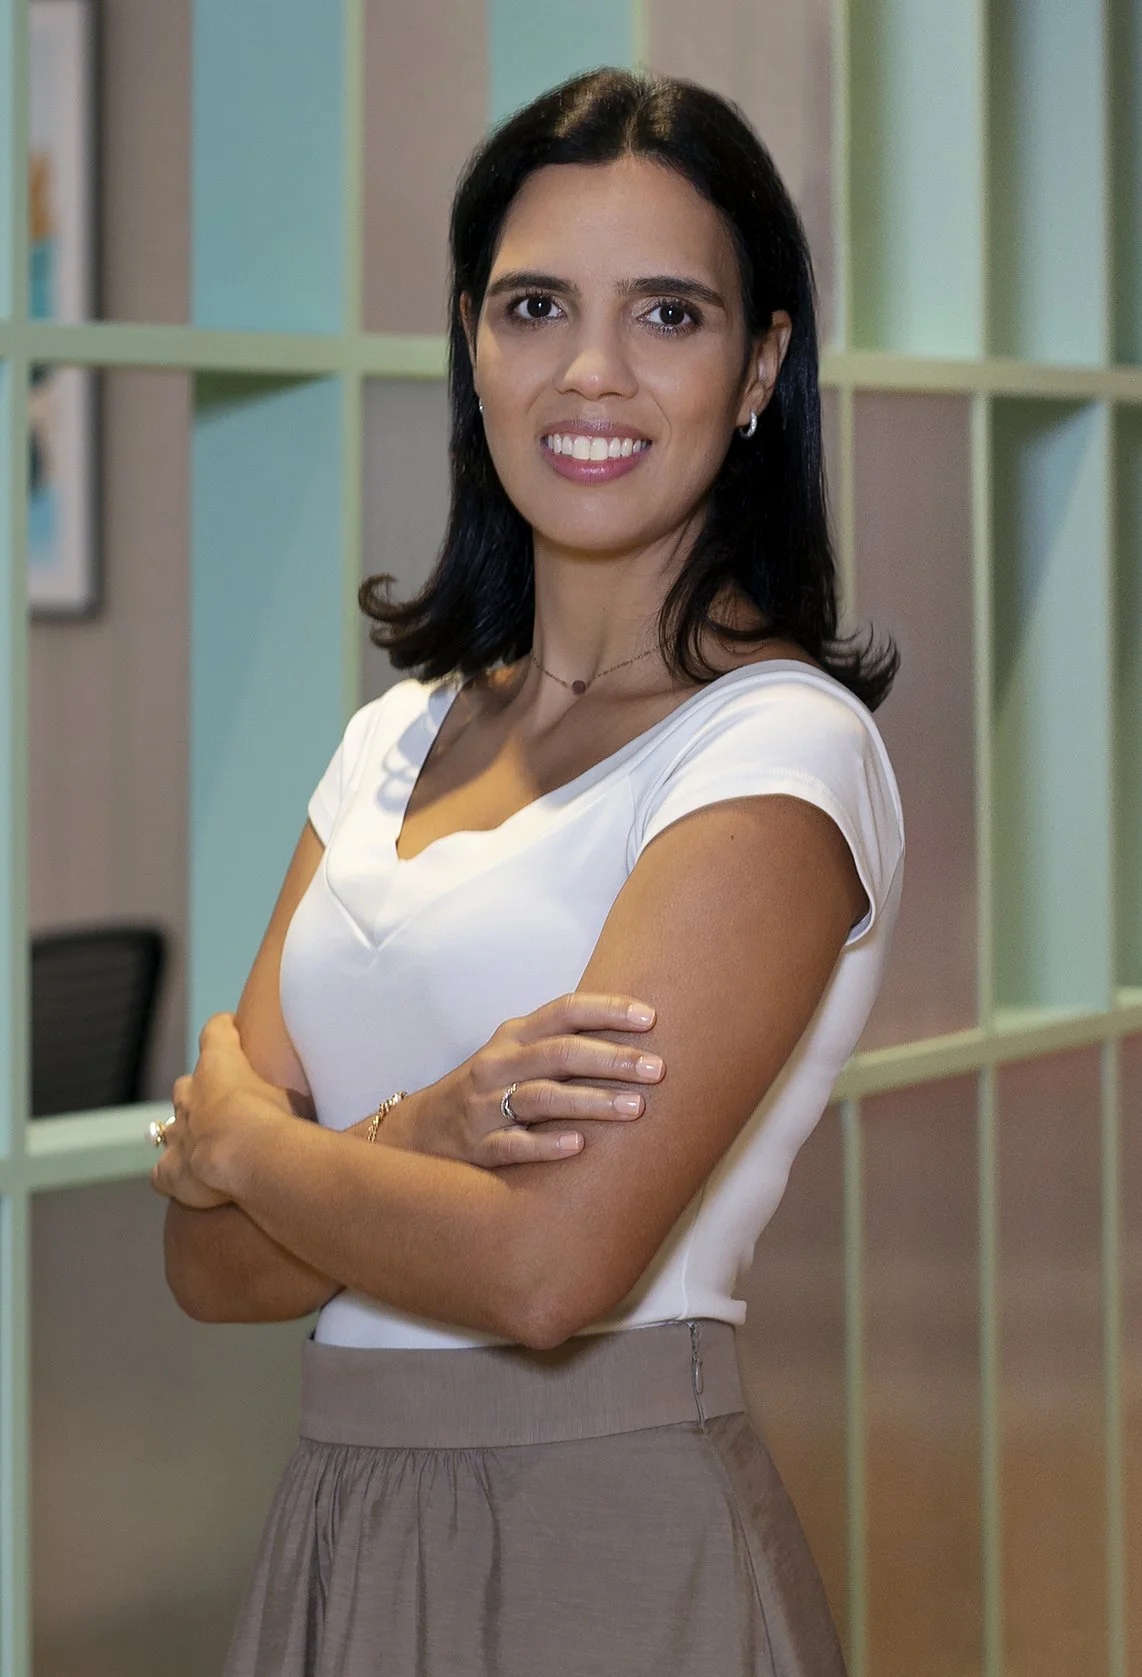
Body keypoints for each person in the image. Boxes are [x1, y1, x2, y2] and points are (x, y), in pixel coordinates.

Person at [152, 67, 903, 1677]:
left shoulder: (772, 757)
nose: (591, 372)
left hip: (608, 1540)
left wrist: (241, 1136)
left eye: (671, 316)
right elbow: (204, 1269)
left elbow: (550, 1268)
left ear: (762, 364)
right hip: (339, 1520)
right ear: (473, 348)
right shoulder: (384, 748)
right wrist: (422, 1131)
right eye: (535, 305)